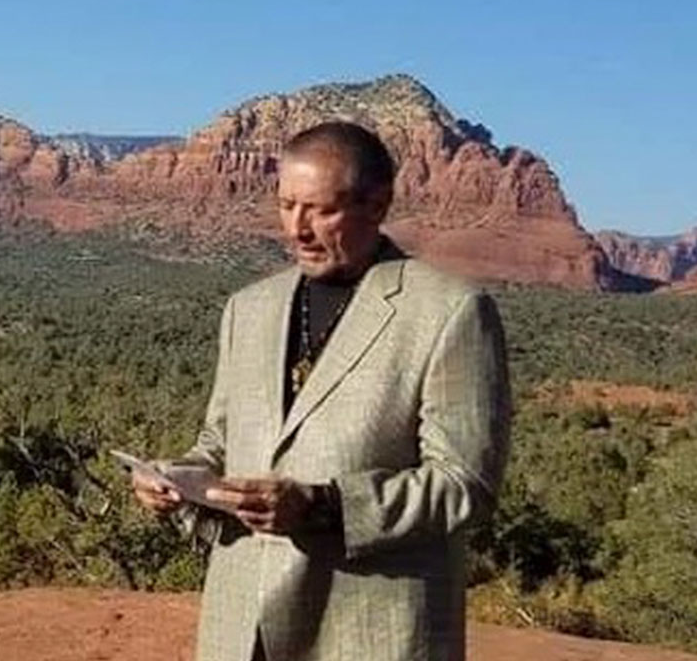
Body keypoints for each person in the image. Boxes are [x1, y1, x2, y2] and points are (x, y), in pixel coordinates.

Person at [133, 121, 511, 661]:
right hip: (240, 633)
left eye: (321, 210)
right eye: (286, 206)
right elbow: (219, 442)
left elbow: (464, 485)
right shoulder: (249, 309)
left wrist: (323, 506)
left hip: (367, 637)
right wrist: (177, 480)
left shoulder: (450, 312)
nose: (297, 229)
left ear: (377, 204)